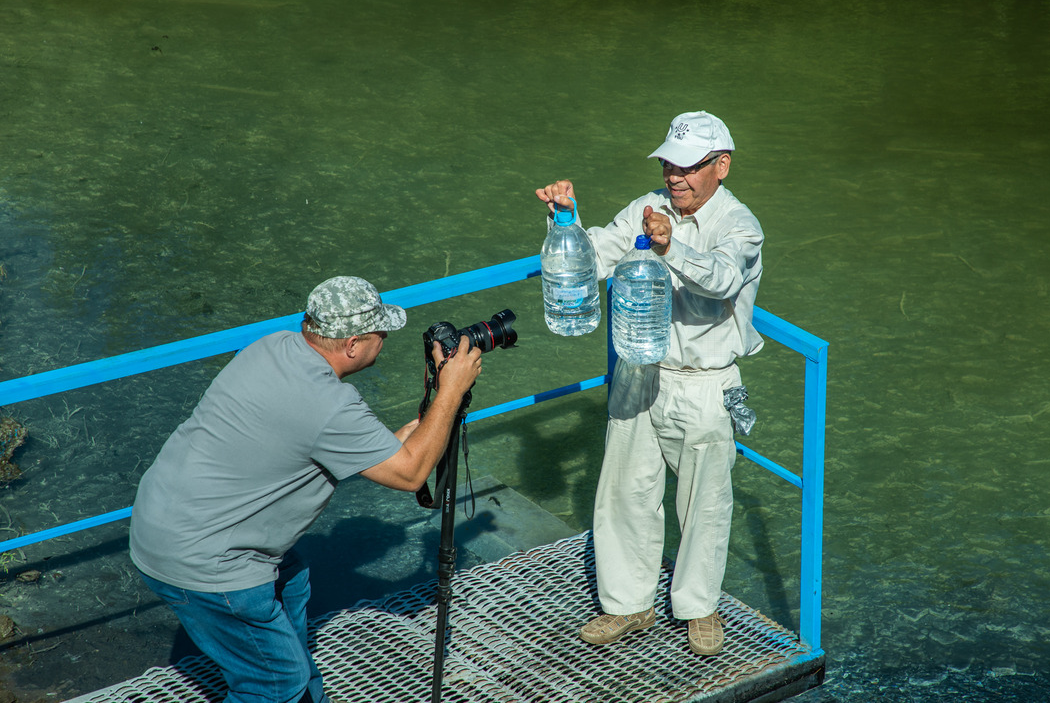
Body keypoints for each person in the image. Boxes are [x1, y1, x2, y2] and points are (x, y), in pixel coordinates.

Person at [129, 276, 482, 702]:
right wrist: (451, 389)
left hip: (163, 516)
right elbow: (410, 475)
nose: (384, 340)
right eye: (380, 333)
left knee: (292, 581)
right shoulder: (329, 404)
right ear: (353, 344)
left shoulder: (272, 347)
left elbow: (364, 445)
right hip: (203, 560)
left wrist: (432, 414)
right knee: (275, 682)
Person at [535, 111, 764, 656]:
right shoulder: (647, 207)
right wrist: (565, 222)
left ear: (721, 166)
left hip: (706, 381)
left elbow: (722, 279)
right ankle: (627, 605)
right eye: (667, 163)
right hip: (640, 368)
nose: (674, 176)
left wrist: (667, 249)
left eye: (687, 166)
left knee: (704, 502)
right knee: (624, 490)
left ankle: (699, 608)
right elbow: (593, 260)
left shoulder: (741, 225)